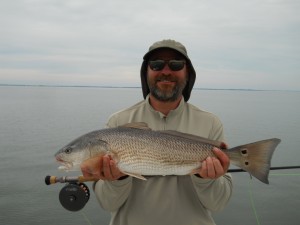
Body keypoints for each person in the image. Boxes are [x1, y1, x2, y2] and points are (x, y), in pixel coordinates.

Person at [81, 39, 233, 225]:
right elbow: (108, 203)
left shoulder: (210, 123)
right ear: (146, 72)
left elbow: (219, 204)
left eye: (176, 64)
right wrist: (117, 180)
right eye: (156, 64)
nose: (166, 71)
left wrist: (206, 179)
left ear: (188, 73)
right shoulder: (118, 122)